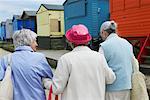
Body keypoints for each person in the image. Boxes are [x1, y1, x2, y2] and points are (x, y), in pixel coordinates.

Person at [51, 24, 116, 100]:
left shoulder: (66, 59)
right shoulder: (99, 57)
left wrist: (46, 82)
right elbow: (111, 78)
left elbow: (57, 88)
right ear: (88, 41)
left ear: (70, 42)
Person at [0, 29, 53, 100]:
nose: (36, 44)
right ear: (29, 42)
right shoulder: (39, 58)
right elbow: (50, 77)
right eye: (34, 41)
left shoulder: (6, 59)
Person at [99, 21, 134, 100]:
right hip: (127, 85)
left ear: (104, 32)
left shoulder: (104, 46)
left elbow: (101, 67)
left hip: (112, 88)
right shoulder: (127, 44)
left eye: (101, 34)